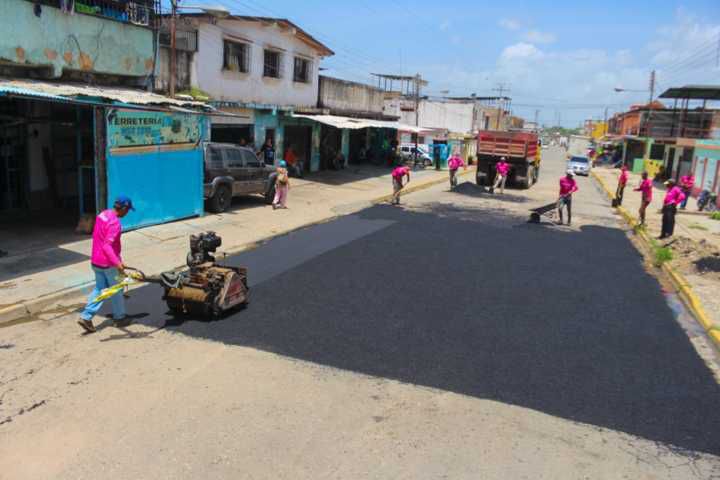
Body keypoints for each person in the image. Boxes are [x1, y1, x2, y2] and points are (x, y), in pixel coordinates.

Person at [77, 195, 135, 333]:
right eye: (127, 210)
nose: (127, 213)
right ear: (124, 208)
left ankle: (86, 316)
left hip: (95, 260)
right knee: (116, 289)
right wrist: (117, 263)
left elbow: (100, 237)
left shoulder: (103, 214)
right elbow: (107, 246)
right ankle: (120, 318)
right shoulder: (115, 223)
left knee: (100, 289)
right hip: (108, 263)